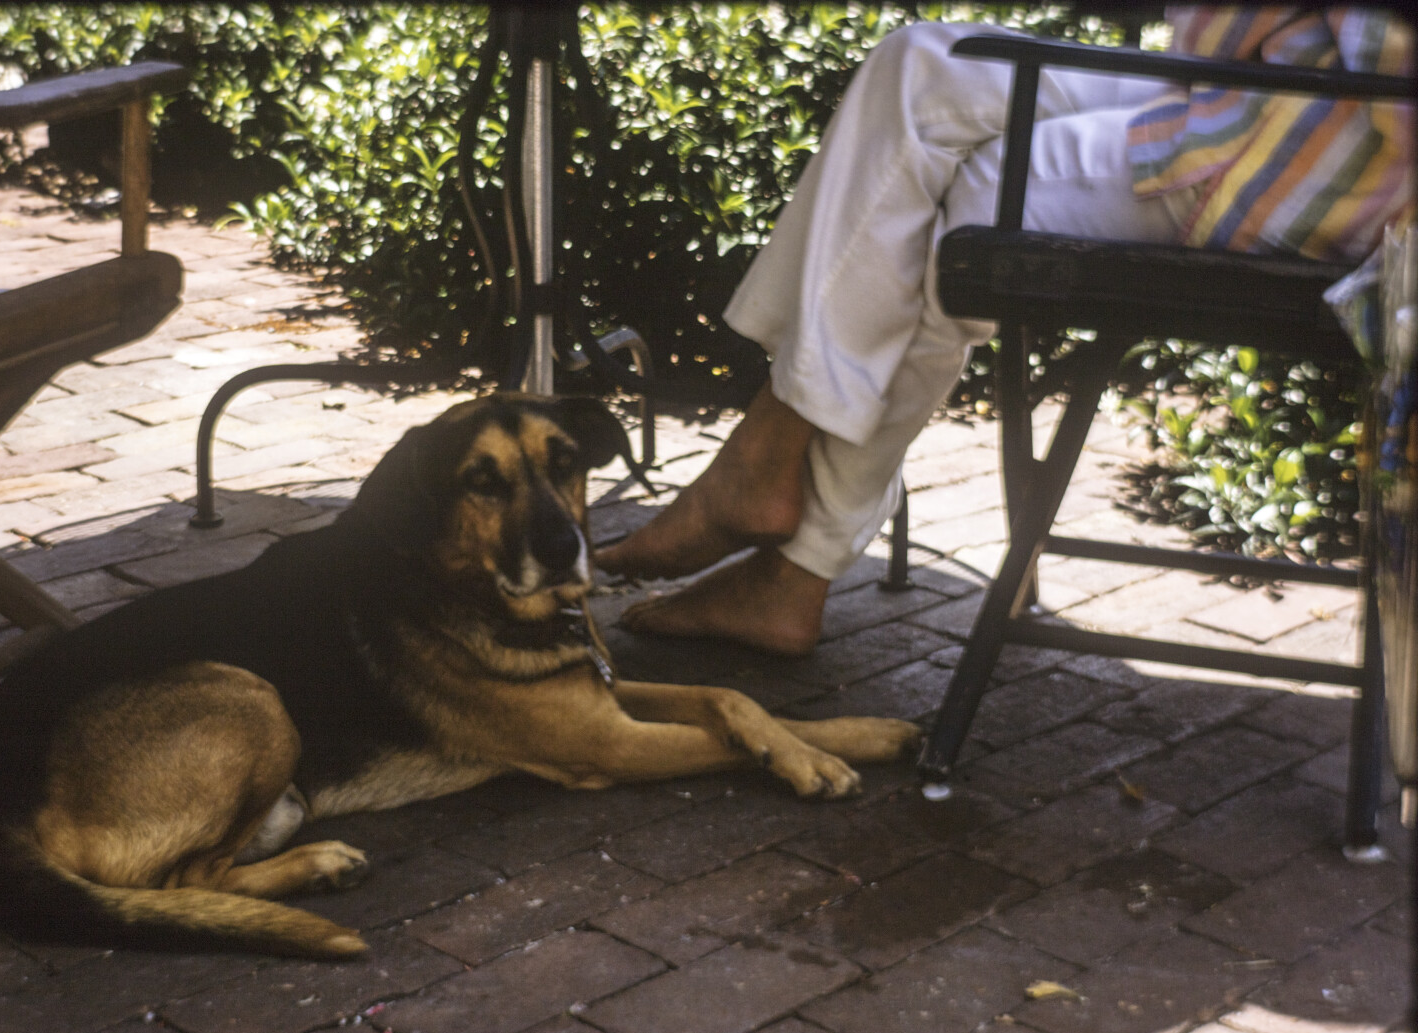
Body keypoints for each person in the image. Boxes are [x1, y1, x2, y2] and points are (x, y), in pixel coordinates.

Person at [594, 7, 1413, 656]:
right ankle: (774, 471)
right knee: (920, 66)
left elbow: (1227, 28)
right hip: (1265, 96)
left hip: (1318, 154)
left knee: (964, 212)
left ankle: (786, 534)